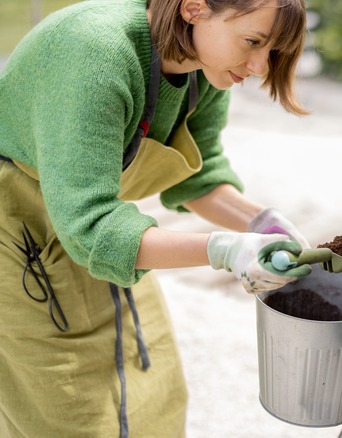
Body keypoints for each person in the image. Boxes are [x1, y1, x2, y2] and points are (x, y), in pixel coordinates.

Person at [0, 0, 312, 436]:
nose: (260, 66)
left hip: (99, 218)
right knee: (68, 410)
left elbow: (198, 178)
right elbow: (91, 227)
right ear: (194, 9)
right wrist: (222, 250)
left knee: (153, 385)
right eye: (253, 42)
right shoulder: (94, 52)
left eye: (272, 51)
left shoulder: (206, 70)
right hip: (17, 229)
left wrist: (262, 223)